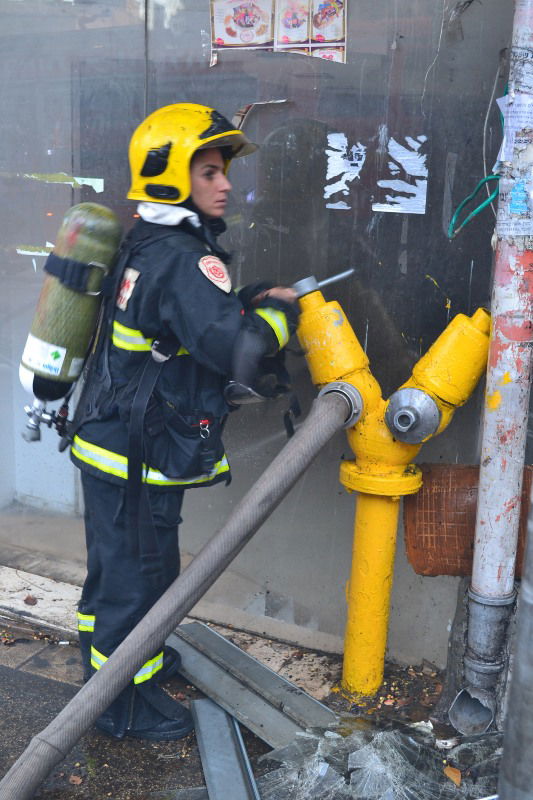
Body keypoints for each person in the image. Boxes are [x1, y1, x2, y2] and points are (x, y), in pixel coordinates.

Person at [69, 103, 298, 741]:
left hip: (110, 444)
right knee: (138, 576)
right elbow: (241, 353)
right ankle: (121, 703)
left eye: (222, 170)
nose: (224, 184)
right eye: (208, 171)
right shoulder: (183, 259)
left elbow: (184, 324)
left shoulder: (147, 239)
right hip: (139, 455)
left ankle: (115, 665)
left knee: (113, 570)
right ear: (171, 176)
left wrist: (241, 302)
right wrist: (281, 317)